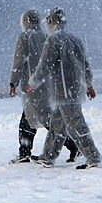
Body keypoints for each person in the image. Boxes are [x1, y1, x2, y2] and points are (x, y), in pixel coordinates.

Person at [26, 7, 102, 169]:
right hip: (74, 88)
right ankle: (48, 156)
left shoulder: (53, 40)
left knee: (76, 124)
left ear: (52, 22)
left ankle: (92, 156)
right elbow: (85, 65)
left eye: (48, 21)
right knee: (57, 124)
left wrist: (32, 83)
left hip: (63, 90)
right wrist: (88, 84)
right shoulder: (76, 40)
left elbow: (44, 66)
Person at [9, 9, 79, 164]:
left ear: (25, 21)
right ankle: (25, 151)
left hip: (31, 86)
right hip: (46, 85)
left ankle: (74, 144)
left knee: (46, 120)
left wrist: (13, 82)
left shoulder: (24, 38)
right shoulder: (46, 37)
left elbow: (18, 62)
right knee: (29, 120)